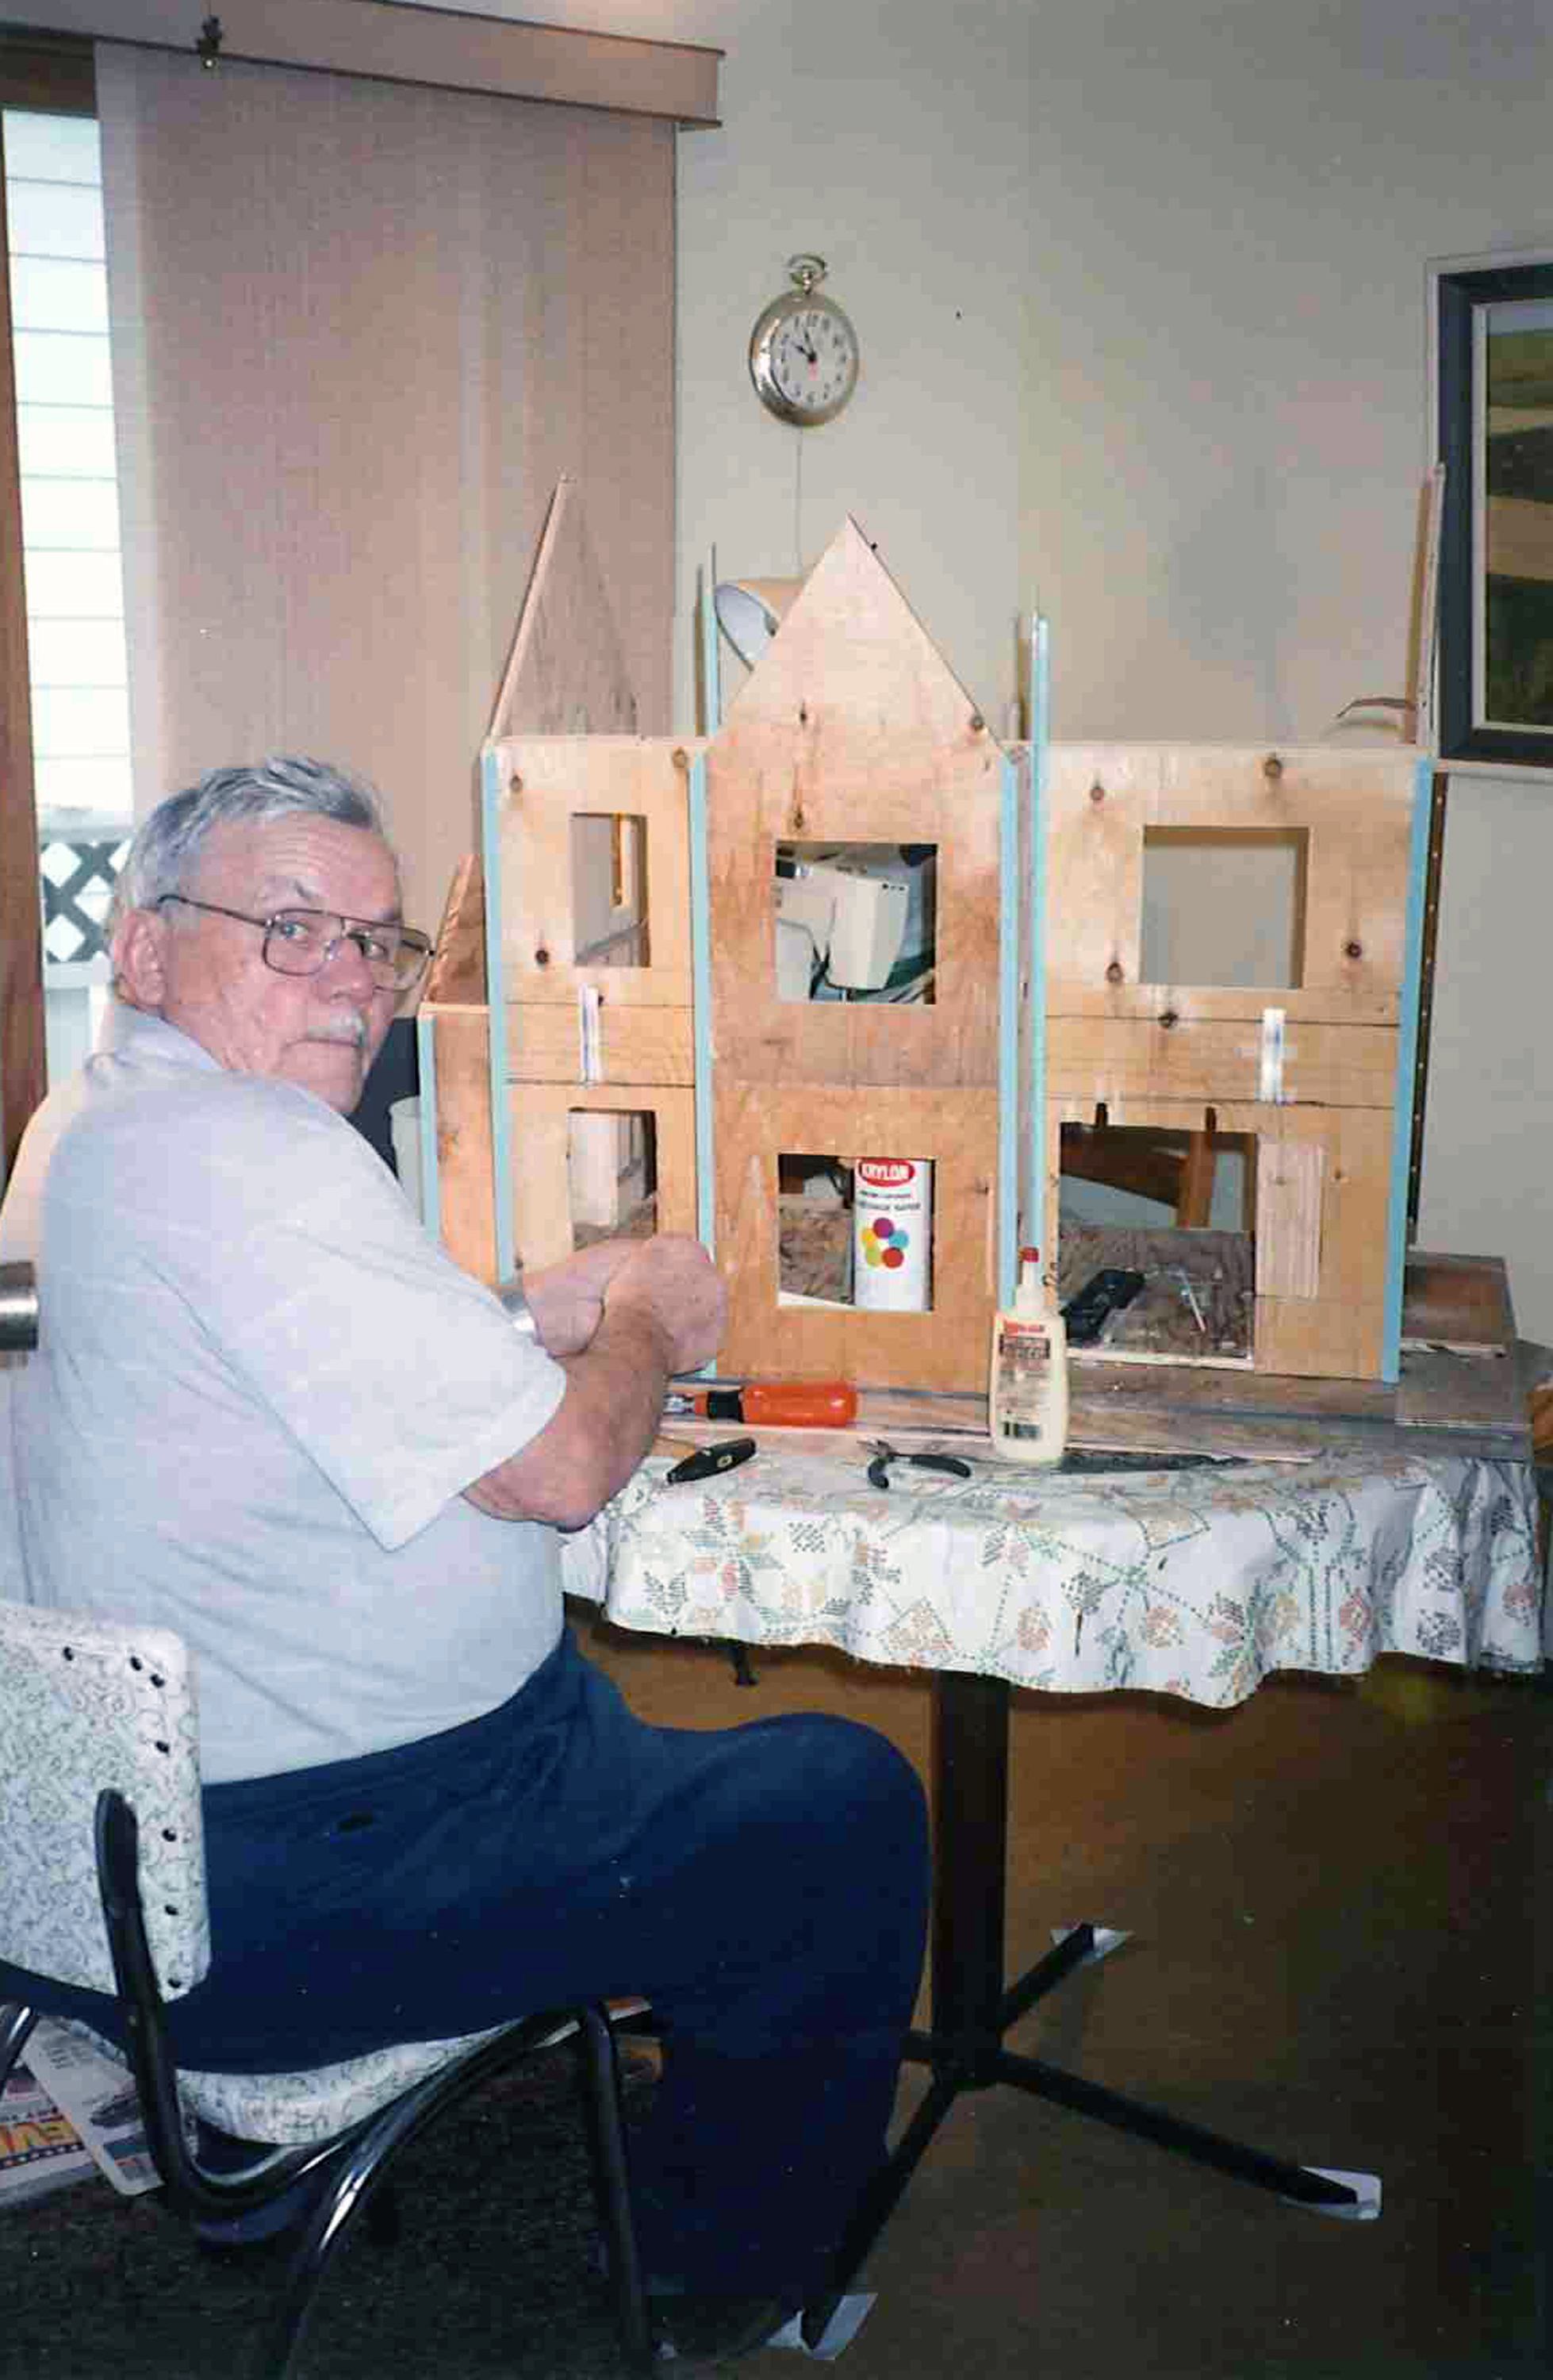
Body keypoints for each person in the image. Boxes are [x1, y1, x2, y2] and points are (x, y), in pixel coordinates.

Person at [0, 757, 929, 2358]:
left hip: (114, 1863)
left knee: (626, 1745)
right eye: (291, 929)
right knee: (831, 1804)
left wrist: (512, 1311)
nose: (352, 987)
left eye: (377, 944)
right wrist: (640, 1318)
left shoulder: (92, 1120)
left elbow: (290, 1353)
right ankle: (717, 2282)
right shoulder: (252, 1152)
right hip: (310, 1880)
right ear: (145, 949)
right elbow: (566, 1471)